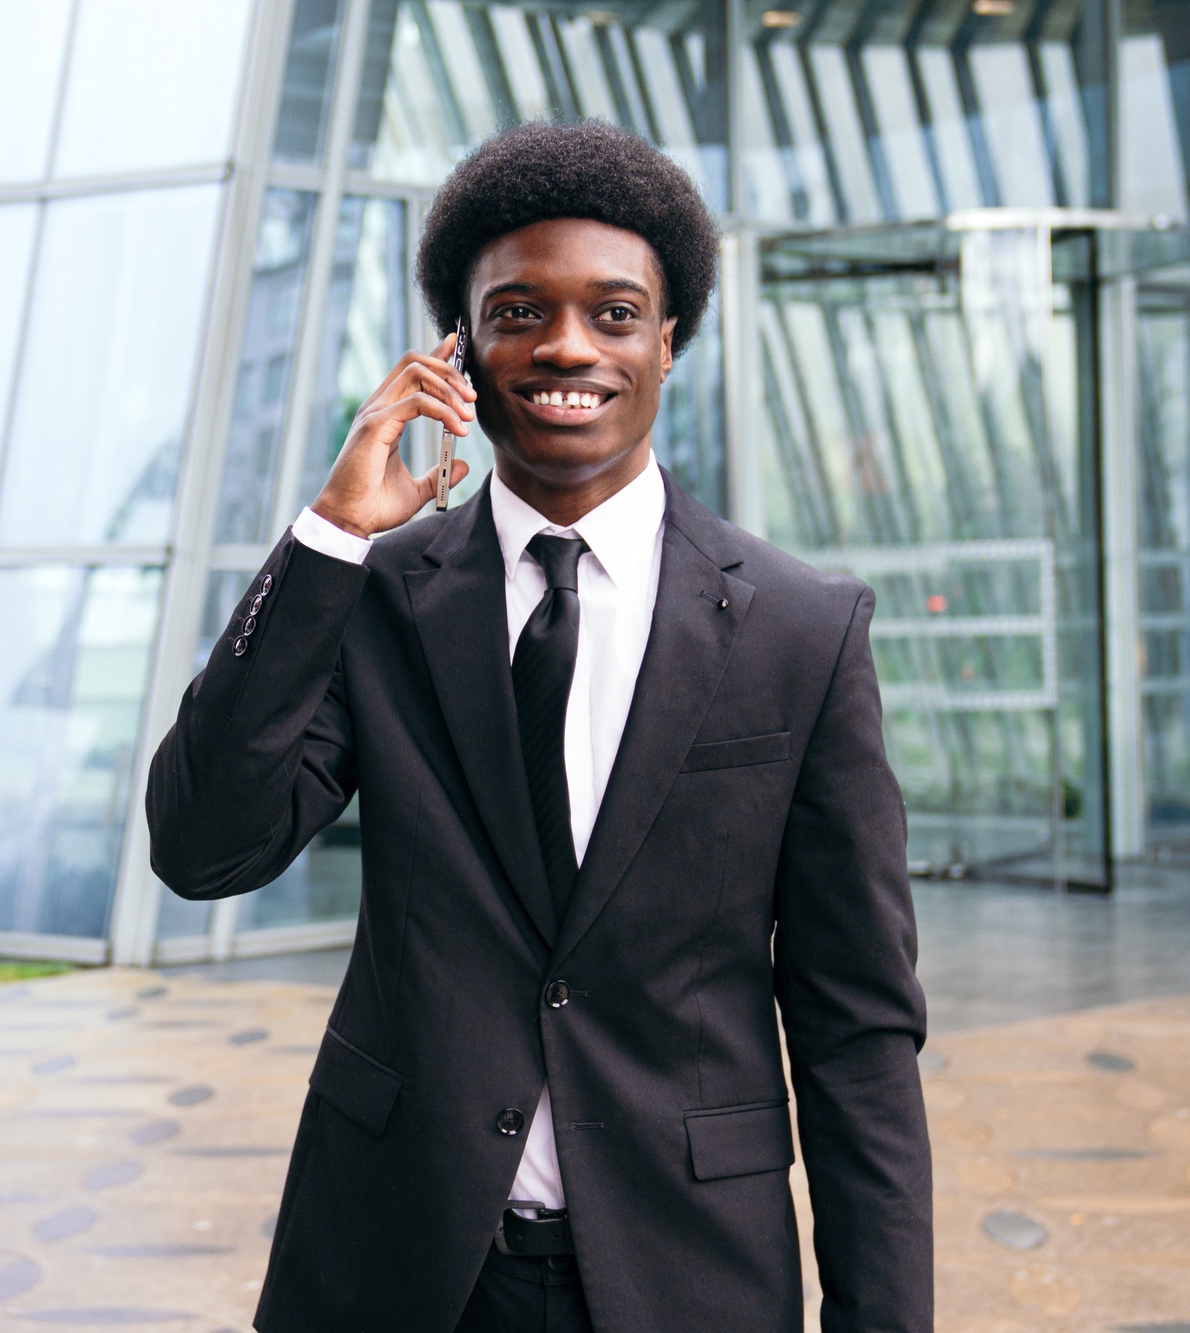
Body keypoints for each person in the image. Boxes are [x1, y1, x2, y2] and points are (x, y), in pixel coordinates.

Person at [146, 121, 931, 1333]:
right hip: (396, 1266)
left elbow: (854, 1026)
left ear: (666, 343)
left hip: (686, 1275)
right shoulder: (373, 600)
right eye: (518, 311)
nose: (567, 344)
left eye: (614, 313)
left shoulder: (799, 631)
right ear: (457, 350)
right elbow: (203, 850)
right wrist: (327, 541)